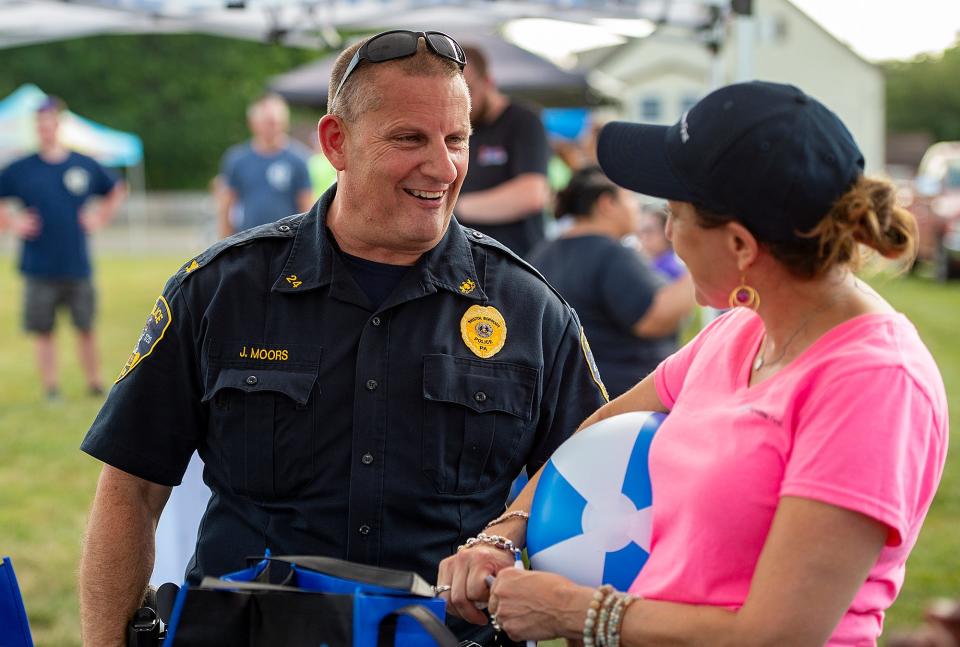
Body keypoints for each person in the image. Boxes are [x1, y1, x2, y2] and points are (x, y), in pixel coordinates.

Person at [78, 30, 607, 645]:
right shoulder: (222, 290)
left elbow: (591, 499)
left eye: (456, 139)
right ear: (336, 142)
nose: (442, 166)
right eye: (409, 138)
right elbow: (131, 490)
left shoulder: (530, 310)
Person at [438, 81, 948, 647]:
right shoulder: (741, 331)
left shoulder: (872, 383)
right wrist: (506, 532)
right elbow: (600, 429)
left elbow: (778, 634)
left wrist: (579, 614)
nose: (666, 237)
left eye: (673, 214)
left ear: (739, 245)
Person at [528, 167, 694, 398]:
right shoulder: (609, 253)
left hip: (572, 397)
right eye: (629, 197)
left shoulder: (542, 253)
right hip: (620, 400)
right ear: (607, 203)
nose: (636, 206)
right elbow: (654, 318)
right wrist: (705, 267)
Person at [0, 96, 126, 400]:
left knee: (85, 326)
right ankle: (51, 388)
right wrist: (13, 223)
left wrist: (99, 218)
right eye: (41, 125)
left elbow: (117, 188)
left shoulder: (82, 164)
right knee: (44, 330)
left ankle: (95, 383)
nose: (47, 129)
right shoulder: (22, 167)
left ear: (60, 124)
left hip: (76, 263)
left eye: (51, 123)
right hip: (38, 265)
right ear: (36, 128)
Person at [455, 45, 551, 258]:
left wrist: (453, 207)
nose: (463, 103)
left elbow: (531, 195)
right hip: (467, 260)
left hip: (517, 260)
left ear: (488, 82)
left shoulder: (523, 120)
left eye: (468, 90)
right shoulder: (459, 125)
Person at [215, 93, 314, 238]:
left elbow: (306, 205)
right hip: (248, 241)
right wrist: (223, 243)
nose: (273, 127)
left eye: (277, 122)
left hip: (286, 243)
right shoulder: (237, 159)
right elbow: (226, 205)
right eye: (268, 122)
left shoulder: (298, 159)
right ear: (253, 123)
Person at [637, 202, 687, 282]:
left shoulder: (671, 269)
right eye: (640, 232)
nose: (643, 237)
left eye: (649, 231)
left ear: (666, 233)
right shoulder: (649, 265)